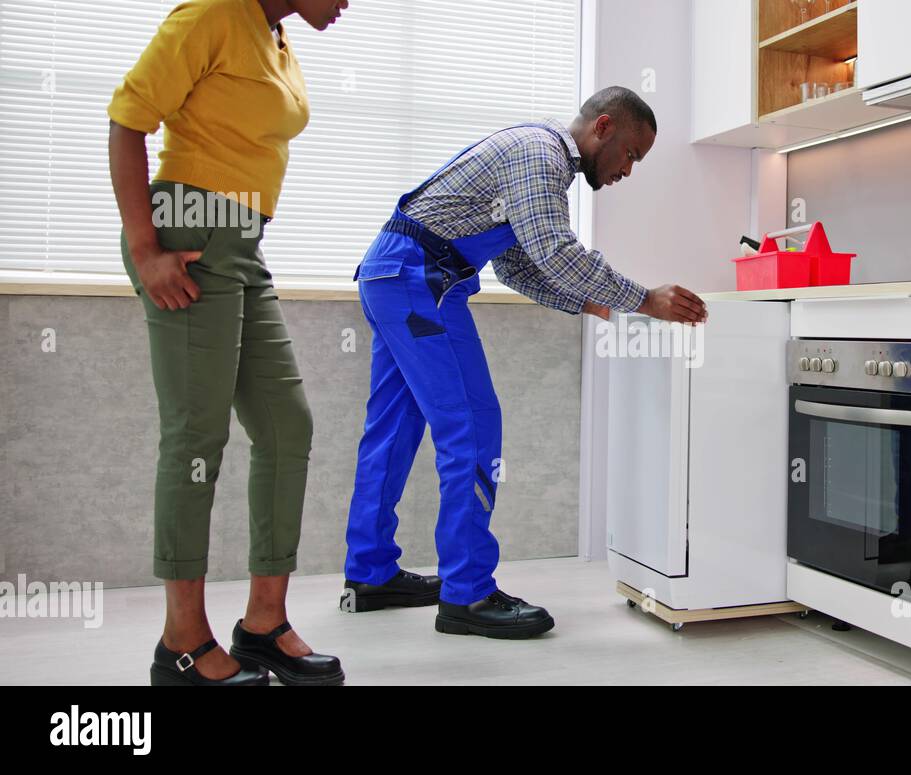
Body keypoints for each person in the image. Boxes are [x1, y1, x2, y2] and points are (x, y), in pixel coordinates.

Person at [341, 86, 708, 639]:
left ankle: (369, 574)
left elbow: (519, 268)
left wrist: (598, 303)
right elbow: (556, 251)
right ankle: (467, 594)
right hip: (419, 281)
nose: (629, 171)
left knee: (393, 427)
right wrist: (643, 297)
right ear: (603, 127)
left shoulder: (533, 157)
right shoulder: (541, 156)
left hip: (392, 275)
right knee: (471, 425)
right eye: (632, 154)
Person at [108, 0, 348, 686]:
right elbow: (127, 118)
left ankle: (263, 625)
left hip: (241, 242)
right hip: (187, 231)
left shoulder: (273, 38)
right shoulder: (212, 14)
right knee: (196, 436)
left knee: (286, 423)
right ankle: (182, 641)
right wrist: (144, 247)